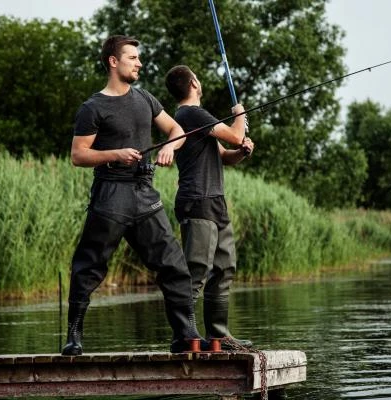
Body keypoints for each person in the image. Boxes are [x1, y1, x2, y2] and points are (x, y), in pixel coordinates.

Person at [62, 36, 202, 355]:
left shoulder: (145, 99)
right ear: (114, 62)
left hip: (145, 195)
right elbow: (78, 155)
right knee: (89, 265)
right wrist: (115, 154)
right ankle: (74, 336)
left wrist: (169, 147)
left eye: (139, 58)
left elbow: (176, 130)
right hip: (110, 195)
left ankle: (186, 335)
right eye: (132, 57)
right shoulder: (93, 107)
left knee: (174, 265)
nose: (139, 63)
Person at [165, 65, 254, 350]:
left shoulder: (195, 120)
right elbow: (235, 134)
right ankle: (184, 336)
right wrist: (240, 115)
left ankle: (218, 335)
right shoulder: (190, 114)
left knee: (224, 268)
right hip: (197, 201)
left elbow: (226, 155)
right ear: (193, 83)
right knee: (197, 271)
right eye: (198, 78)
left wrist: (241, 152)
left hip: (215, 201)